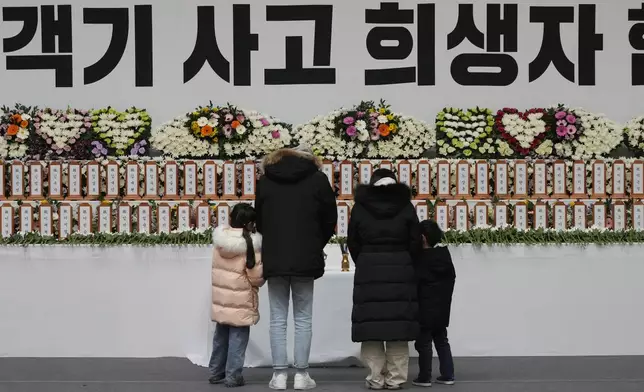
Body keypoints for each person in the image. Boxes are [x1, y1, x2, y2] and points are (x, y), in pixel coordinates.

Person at [255, 145, 338, 390]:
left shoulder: (266, 180)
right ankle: (301, 374)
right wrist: (315, 244)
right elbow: (330, 218)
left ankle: (279, 375)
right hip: (305, 256)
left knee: (277, 318)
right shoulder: (317, 179)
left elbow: (259, 219)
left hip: (275, 256)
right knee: (303, 318)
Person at [347, 169, 422, 390]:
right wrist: (407, 260)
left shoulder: (360, 208)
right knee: (398, 328)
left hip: (369, 268)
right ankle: (396, 379)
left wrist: (364, 260)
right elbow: (415, 241)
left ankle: (375, 378)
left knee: (372, 329)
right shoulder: (406, 207)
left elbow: (352, 241)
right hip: (401, 269)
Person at [208, 203, 264, 388]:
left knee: (220, 338)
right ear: (249, 223)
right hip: (241, 301)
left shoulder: (220, 241)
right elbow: (256, 278)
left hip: (222, 300)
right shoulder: (251, 244)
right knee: (238, 340)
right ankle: (233, 376)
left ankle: (216, 372)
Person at [413, 220, 456, 387]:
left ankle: (425, 377)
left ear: (422, 238)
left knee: (423, 344)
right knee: (442, 341)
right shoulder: (444, 256)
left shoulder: (421, 260)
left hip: (424, 309)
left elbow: (415, 282)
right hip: (442, 308)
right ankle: (448, 374)